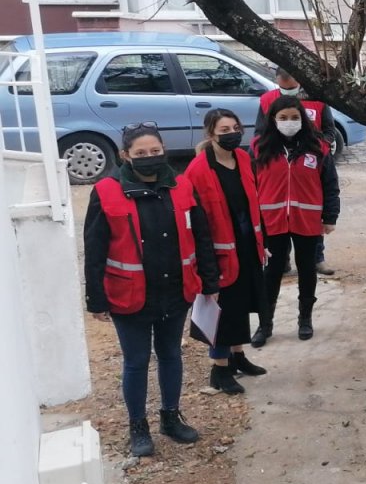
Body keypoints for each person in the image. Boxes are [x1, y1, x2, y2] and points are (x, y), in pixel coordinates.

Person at [84, 122, 221, 457]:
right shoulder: (106, 191)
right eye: (140, 153)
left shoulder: (182, 185)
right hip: (129, 296)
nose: (149, 158)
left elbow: (201, 237)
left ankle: (170, 418)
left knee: (172, 354)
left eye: (155, 152)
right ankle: (138, 426)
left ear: (163, 150)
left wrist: (210, 281)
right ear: (125, 155)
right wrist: (95, 298)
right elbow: (95, 248)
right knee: (136, 361)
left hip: (176, 291)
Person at [185, 109, 268, 393]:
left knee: (241, 304)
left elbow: (253, 202)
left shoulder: (243, 159)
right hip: (219, 253)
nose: (232, 133)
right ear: (211, 134)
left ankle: (238, 356)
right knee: (223, 310)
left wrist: (262, 242)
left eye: (235, 127)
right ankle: (219, 369)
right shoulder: (197, 170)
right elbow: (196, 221)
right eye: (224, 130)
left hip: (246, 245)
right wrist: (204, 263)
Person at [251, 96, 341, 347]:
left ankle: (305, 319)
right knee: (272, 272)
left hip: (307, 221)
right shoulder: (259, 148)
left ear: (303, 119)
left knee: (307, 270)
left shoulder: (318, 147)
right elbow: (251, 186)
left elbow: (330, 184)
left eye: (294, 117)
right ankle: (265, 324)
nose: (289, 122)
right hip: (272, 221)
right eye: (283, 118)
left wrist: (330, 216)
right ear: (273, 120)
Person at [257, 67, 339, 276]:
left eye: (292, 89)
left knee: (311, 216)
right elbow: (260, 132)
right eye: (284, 90)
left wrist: (319, 148)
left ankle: (317, 259)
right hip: (280, 161)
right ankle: (281, 262)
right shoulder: (267, 101)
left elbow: (330, 131)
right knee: (280, 222)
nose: (288, 93)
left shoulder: (318, 100)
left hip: (310, 162)